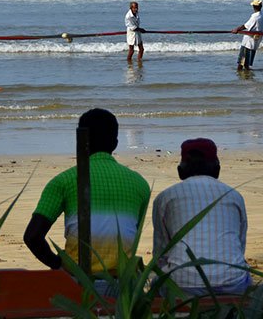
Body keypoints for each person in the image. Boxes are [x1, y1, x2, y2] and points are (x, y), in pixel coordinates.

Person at [23, 108, 150, 275]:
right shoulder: (140, 184)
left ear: (80, 140)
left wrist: (58, 265)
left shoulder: (64, 180)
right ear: (115, 143)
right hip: (124, 284)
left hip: (79, 280)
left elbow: (32, 236)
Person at [152, 138, 250, 296]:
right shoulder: (234, 195)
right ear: (217, 168)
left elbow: (161, 251)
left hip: (182, 283)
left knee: (156, 283)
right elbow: (240, 244)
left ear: (180, 170)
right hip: (232, 281)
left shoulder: (166, 197)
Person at [233, 0, 263, 71]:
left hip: (249, 41)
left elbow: (246, 26)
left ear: (254, 7)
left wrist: (237, 29)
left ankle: (241, 75)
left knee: (241, 62)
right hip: (255, 39)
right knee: (247, 62)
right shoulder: (262, 16)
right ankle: (247, 74)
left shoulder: (255, 16)